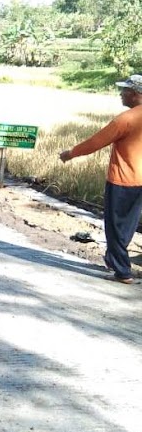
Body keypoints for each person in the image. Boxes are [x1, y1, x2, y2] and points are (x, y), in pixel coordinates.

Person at [60, 74, 142, 285]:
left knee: (115, 226)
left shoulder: (126, 119)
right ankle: (114, 259)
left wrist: (70, 153)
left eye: (124, 90)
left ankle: (122, 271)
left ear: (135, 94)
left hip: (123, 180)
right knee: (127, 225)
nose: (120, 93)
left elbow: (95, 142)